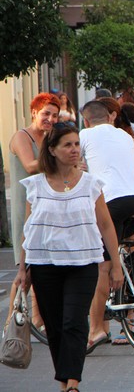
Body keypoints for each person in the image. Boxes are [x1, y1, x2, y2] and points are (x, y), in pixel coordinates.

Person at [13, 122, 124, 392]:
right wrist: (22, 269)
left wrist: (115, 266)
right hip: (43, 265)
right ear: (52, 150)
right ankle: (64, 380)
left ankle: (72, 383)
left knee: (74, 322)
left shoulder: (91, 184)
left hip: (83, 264)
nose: (75, 150)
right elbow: (30, 228)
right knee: (54, 326)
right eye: (67, 145)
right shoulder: (35, 185)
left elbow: (106, 225)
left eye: (77, 144)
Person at [80, 100, 134, 347]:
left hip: (113, 202)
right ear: (110, 117)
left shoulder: (85, 135)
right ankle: (124, 306)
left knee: (103, 266)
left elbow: (72, 166)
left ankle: (95, 330)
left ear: (86, 120)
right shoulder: (125, 135)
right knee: (121, 252)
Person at [7, 93, 60, 333]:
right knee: (24, 272)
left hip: (46, 209)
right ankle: (10, 327)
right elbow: (30, 166)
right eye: (46, 113)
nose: (50, 119)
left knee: (42, 269)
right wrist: (60, 158)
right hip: (25, 210)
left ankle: (38, 321)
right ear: (34, 113)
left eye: (55, 115)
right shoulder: (22, 136)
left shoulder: (50, 139)